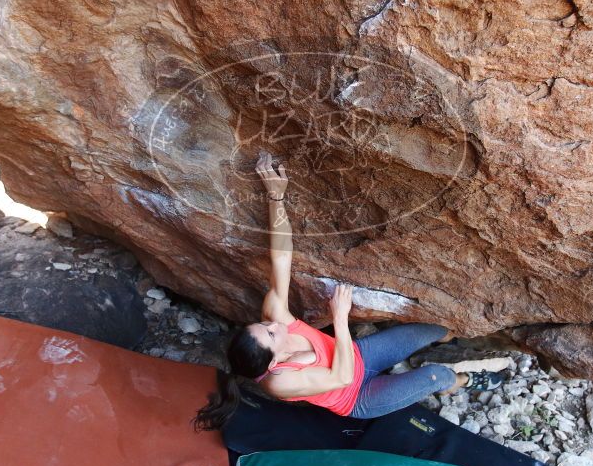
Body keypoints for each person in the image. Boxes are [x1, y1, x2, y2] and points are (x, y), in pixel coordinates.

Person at [192, 153, 504, 432]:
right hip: (358, 396)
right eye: (271, 335)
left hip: (360, 356)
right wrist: (339, 318)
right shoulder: (280, 381)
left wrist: (275, 197)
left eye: (263, 325)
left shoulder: (276, 317)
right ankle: (462, 382)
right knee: (435, 376)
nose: (274, 324)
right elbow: (341, 378)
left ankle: (453, 341)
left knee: (433, 329)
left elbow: (281, 257)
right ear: (274, 362)